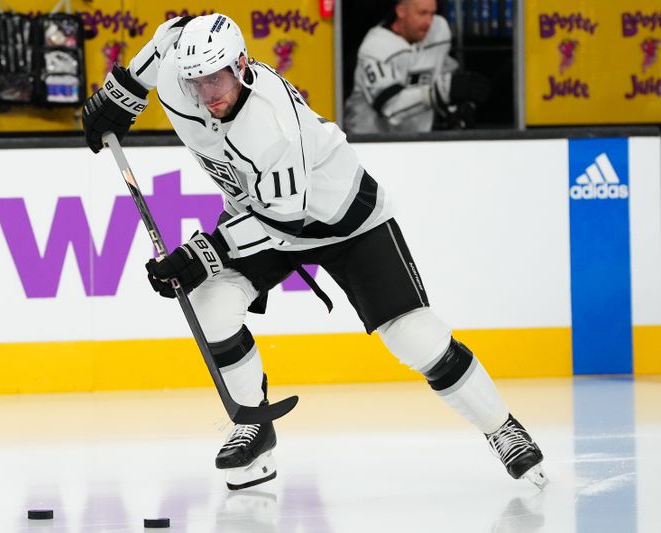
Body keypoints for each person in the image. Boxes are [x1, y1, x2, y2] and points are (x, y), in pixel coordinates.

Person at [82, 13, 547, 491]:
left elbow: (282, 222)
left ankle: (502, 428)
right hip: (256, 212)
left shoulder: (273, 125)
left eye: (217, 78)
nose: (208, 93)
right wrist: (122, 94)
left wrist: (201, 253)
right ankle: (253, 425)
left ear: (241, 64)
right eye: (195, 81)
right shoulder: (181, 66)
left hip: (342, 218)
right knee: (211, 307)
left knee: (414, 337)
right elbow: (167, 39)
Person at [345, 0, 490, 133]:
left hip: (418, 141)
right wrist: (441, 93)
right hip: (370, 143)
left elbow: (443, 70)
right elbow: (390, 107)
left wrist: (454, 106)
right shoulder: (375, 46)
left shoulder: (438, 31)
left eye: (432, 13)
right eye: (422, 13)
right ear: (401, 11)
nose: (429, 21)